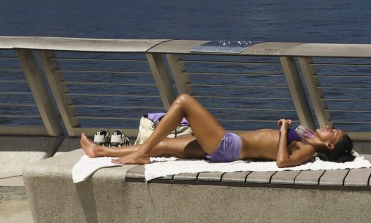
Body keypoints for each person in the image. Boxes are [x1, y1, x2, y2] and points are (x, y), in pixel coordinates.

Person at [80, 93, 354, 167]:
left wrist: (283, 131)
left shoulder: (308, 150)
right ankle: (100, 151)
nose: (328, 127)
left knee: (184, 101)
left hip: (227, 146)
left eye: (333, 132)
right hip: (227, 144)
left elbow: (282, 162)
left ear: (330, 145)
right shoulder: (306, 141)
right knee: (161, 146)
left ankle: (141, 154)